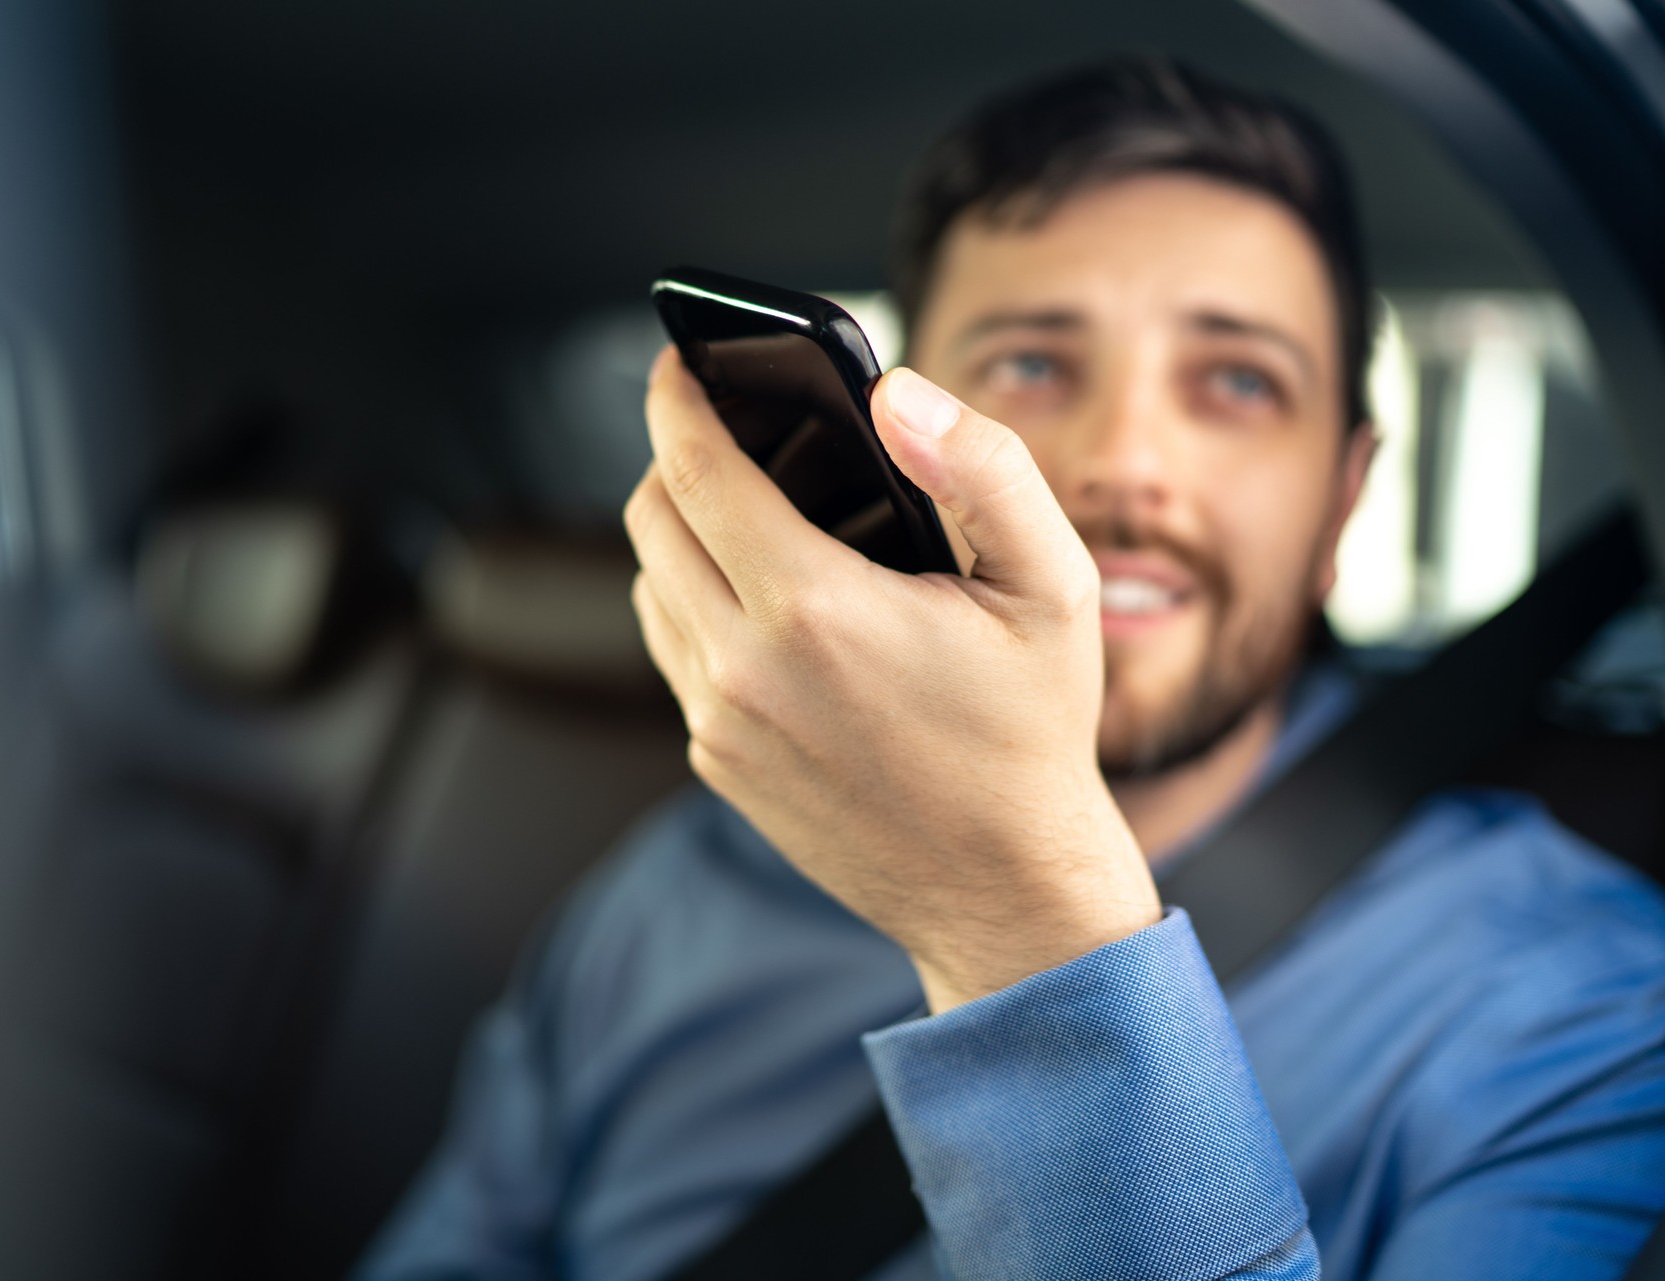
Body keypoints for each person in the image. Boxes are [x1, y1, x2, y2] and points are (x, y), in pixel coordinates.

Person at [357, 58, 1665, 1280]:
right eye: (1031, 363)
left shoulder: (1580, 1009)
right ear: (901, 430)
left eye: (1240, 382)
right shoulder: (676, 892)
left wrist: (1013, 918)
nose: (1123, 463)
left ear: (1342, 500)